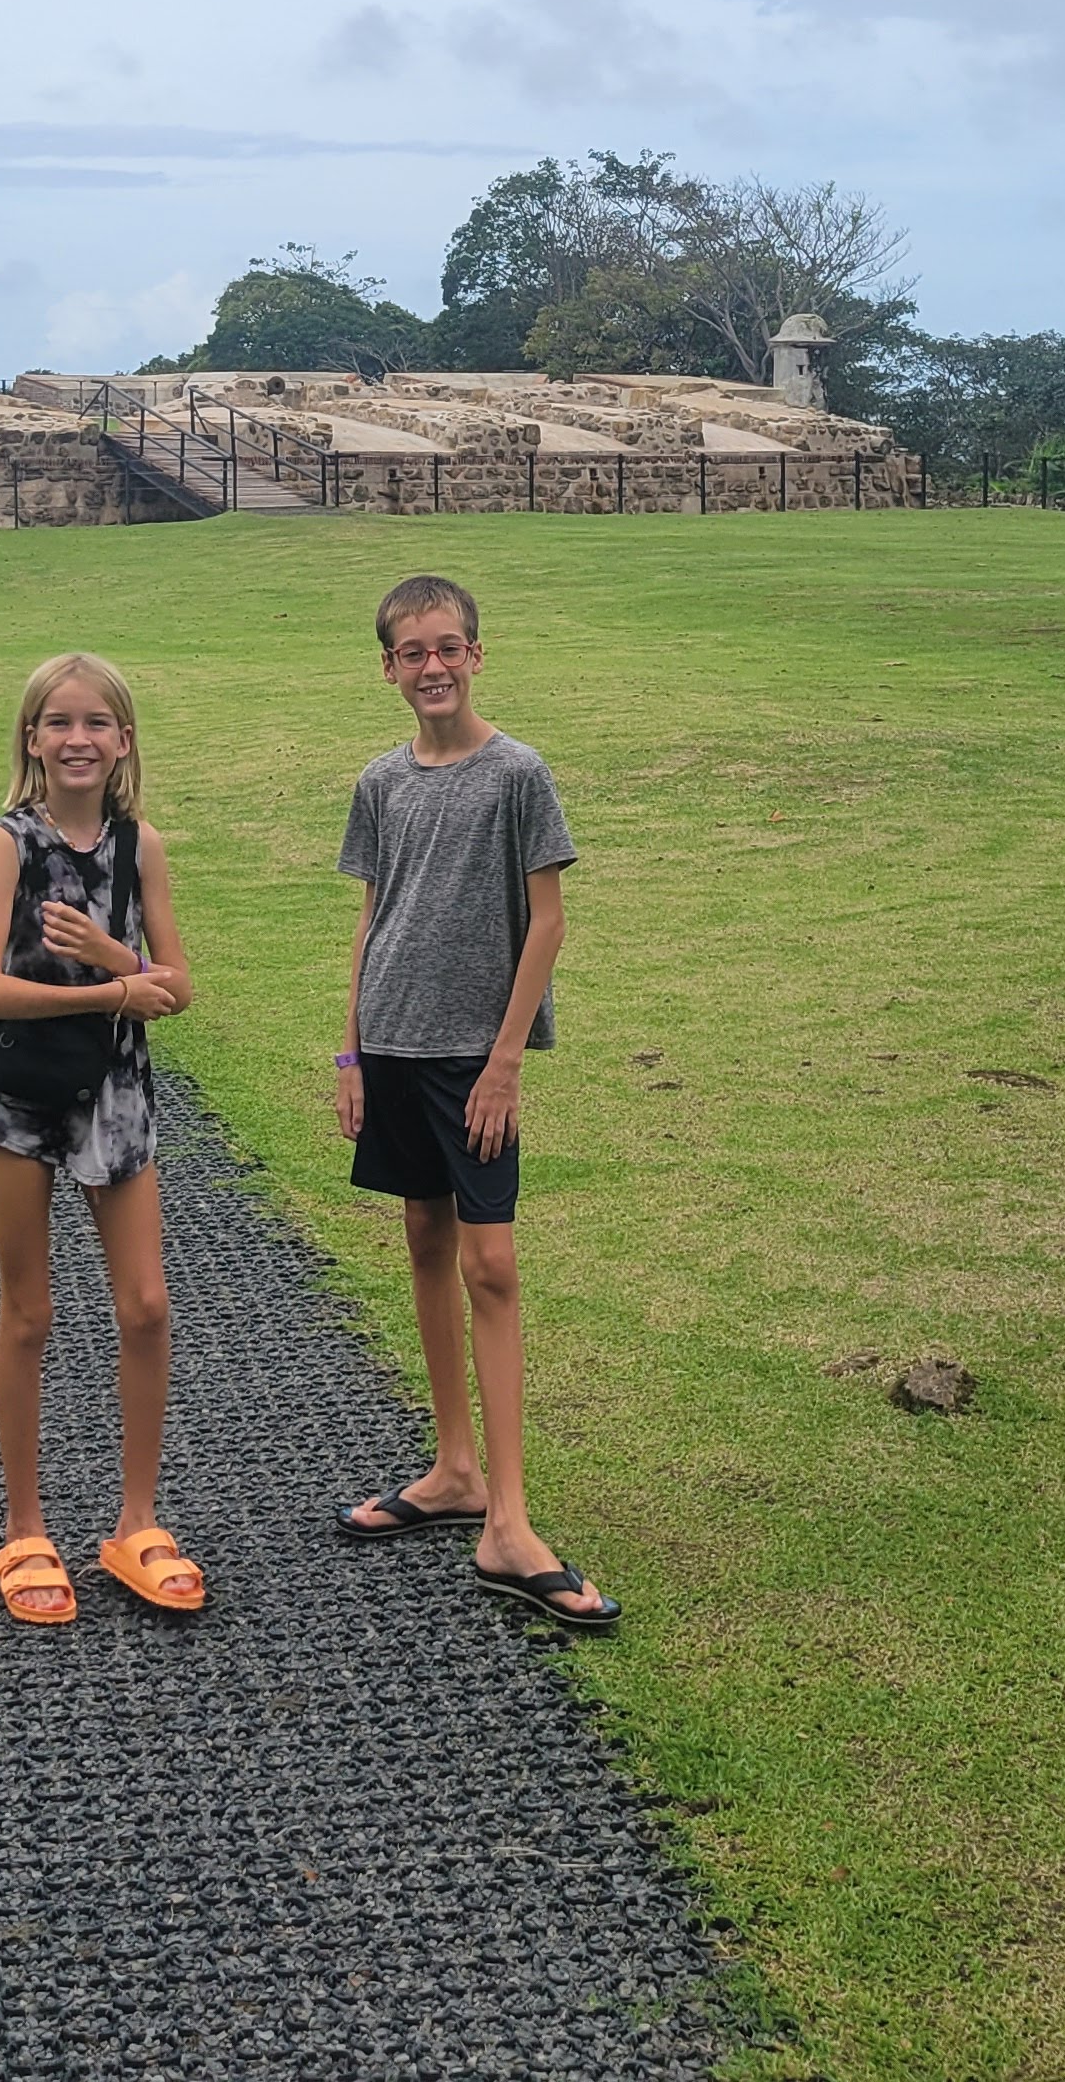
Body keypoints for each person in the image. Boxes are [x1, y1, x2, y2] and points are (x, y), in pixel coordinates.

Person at [331, 573, 615, 1630]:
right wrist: (351, 1052)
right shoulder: (380, 781)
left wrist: (505, 1061)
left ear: (477, 655)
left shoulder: (516, 774)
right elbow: (371, 920)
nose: (433, 666)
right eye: (412, 653)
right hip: (392, 1045)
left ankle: (510, 1518)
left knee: (492, 1264)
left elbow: (546, 923)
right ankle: (453, 1471)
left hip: (471, 1056)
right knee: (424, 1243)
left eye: (449, 647)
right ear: (390, 669)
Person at [0, 651, 203, 1626]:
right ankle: (26, 1529)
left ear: (125, 740)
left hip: (118, 1093)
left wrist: (114, 956)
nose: (78, 739)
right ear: (31, 738)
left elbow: (177, 986)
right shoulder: (8, 844)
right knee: (30, 1313)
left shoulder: (141, 847)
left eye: (97, 722)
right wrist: (110, 990)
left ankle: (136, 1521)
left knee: (145, 1308)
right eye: (59, 722)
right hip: (22, 1095)